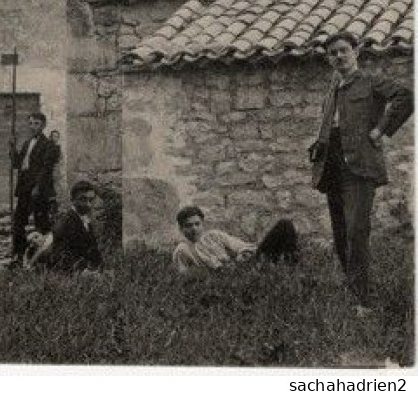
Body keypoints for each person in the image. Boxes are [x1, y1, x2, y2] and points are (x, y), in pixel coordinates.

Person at [309, 32, 413, 312]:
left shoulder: (370, 80)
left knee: (357, 230)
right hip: (332, 165)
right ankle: (352, 289)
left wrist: (381, 130)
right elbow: (329, 123)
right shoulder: (332, 87)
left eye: (344, 50)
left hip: (360, 166)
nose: (339, 56)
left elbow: (406, 97)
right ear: (328, 58)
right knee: (341, 231)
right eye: (333, 53)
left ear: (357, 51)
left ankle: (363, 302)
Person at [172, 206, 298, 275]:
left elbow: (239, 245)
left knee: (285, 225)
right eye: (188, 226)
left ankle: (292, 270)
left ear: (202, 224)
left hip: (246, 266)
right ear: (181, 229)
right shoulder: (182, 250)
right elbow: (186, 278)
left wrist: (242, 253)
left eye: (197, 224)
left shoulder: (214, 235)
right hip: (226, 279)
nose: (194, 229)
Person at [10, 111, 55, 263]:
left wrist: (37, 187)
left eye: (36, 123)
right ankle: (18, 253)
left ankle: (42, 255)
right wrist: (12, 147)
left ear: (43, 125)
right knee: (18, 221)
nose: (33, 126)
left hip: (38, 189)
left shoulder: (48, 144)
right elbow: (17, 164)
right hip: (24, 188)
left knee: (40, 222)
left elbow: (46, 169)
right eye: (30, 123)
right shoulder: (27, 143)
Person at [50, 180, 103, 272]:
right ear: (72, 200)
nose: (88, 204)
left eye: (91, 200)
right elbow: (60, 258)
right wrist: (83, 272)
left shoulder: (85, 220)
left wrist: (99, 268)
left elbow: (93, 251)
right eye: (83, 199)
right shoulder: (65, 223)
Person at [49, 129, 65, 222]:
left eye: (57, 137)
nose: (55, 138)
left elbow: (60, 161)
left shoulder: (58, 148)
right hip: (49, 174)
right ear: (50, 137)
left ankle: (55, 213)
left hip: (56, 172)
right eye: (53, 136)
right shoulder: (48, 147)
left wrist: (59, 171)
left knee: (56, 192)